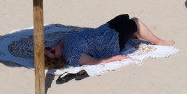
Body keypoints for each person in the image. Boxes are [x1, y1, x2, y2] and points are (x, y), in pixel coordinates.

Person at [44, 14, 174, 69]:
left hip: (103, 30)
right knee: (135, 21)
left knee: (124, 17)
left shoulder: (58, 42)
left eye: (48, 48)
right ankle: (159, 41)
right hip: (110, 42)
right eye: (52, 52)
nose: (51, 48)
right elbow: (96, 62)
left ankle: (136, 34)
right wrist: (117, 57)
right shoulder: (72, 56)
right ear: (57, 58)